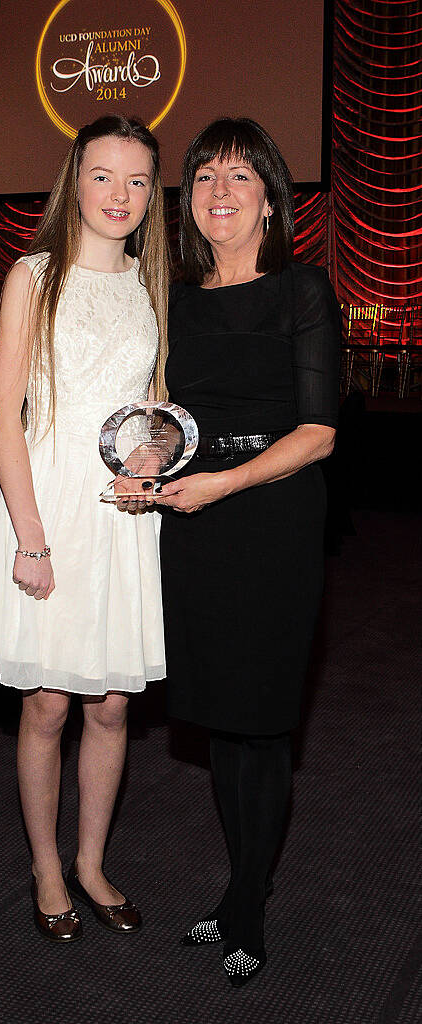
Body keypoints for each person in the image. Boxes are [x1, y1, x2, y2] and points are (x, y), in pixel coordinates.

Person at [155, 118, 340, 986]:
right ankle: (237, 889)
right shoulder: (178, 302)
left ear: (270, 196)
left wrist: (221, 486)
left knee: (261, 727)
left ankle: (250, 910)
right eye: (203, 178)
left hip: (270, 528)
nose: (219, 192)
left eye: (238, 176)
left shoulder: (304, 290)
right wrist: (148, 464)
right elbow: (166, 418)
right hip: (194, 534)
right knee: (223, 723)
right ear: (188, 200)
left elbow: (317, 434)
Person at [0, 116, 168, 942]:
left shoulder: (152, 279)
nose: (118, 195)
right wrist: (31, 540)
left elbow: (158, 412)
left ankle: (91, 863)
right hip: (46, 506)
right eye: (102, 175)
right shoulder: (34, 273)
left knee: (114, 706)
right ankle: (46, 868)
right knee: (49, 703)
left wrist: (156, 458)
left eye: (135, 180)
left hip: (124, 515)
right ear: (74, 180)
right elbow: (0, 417)